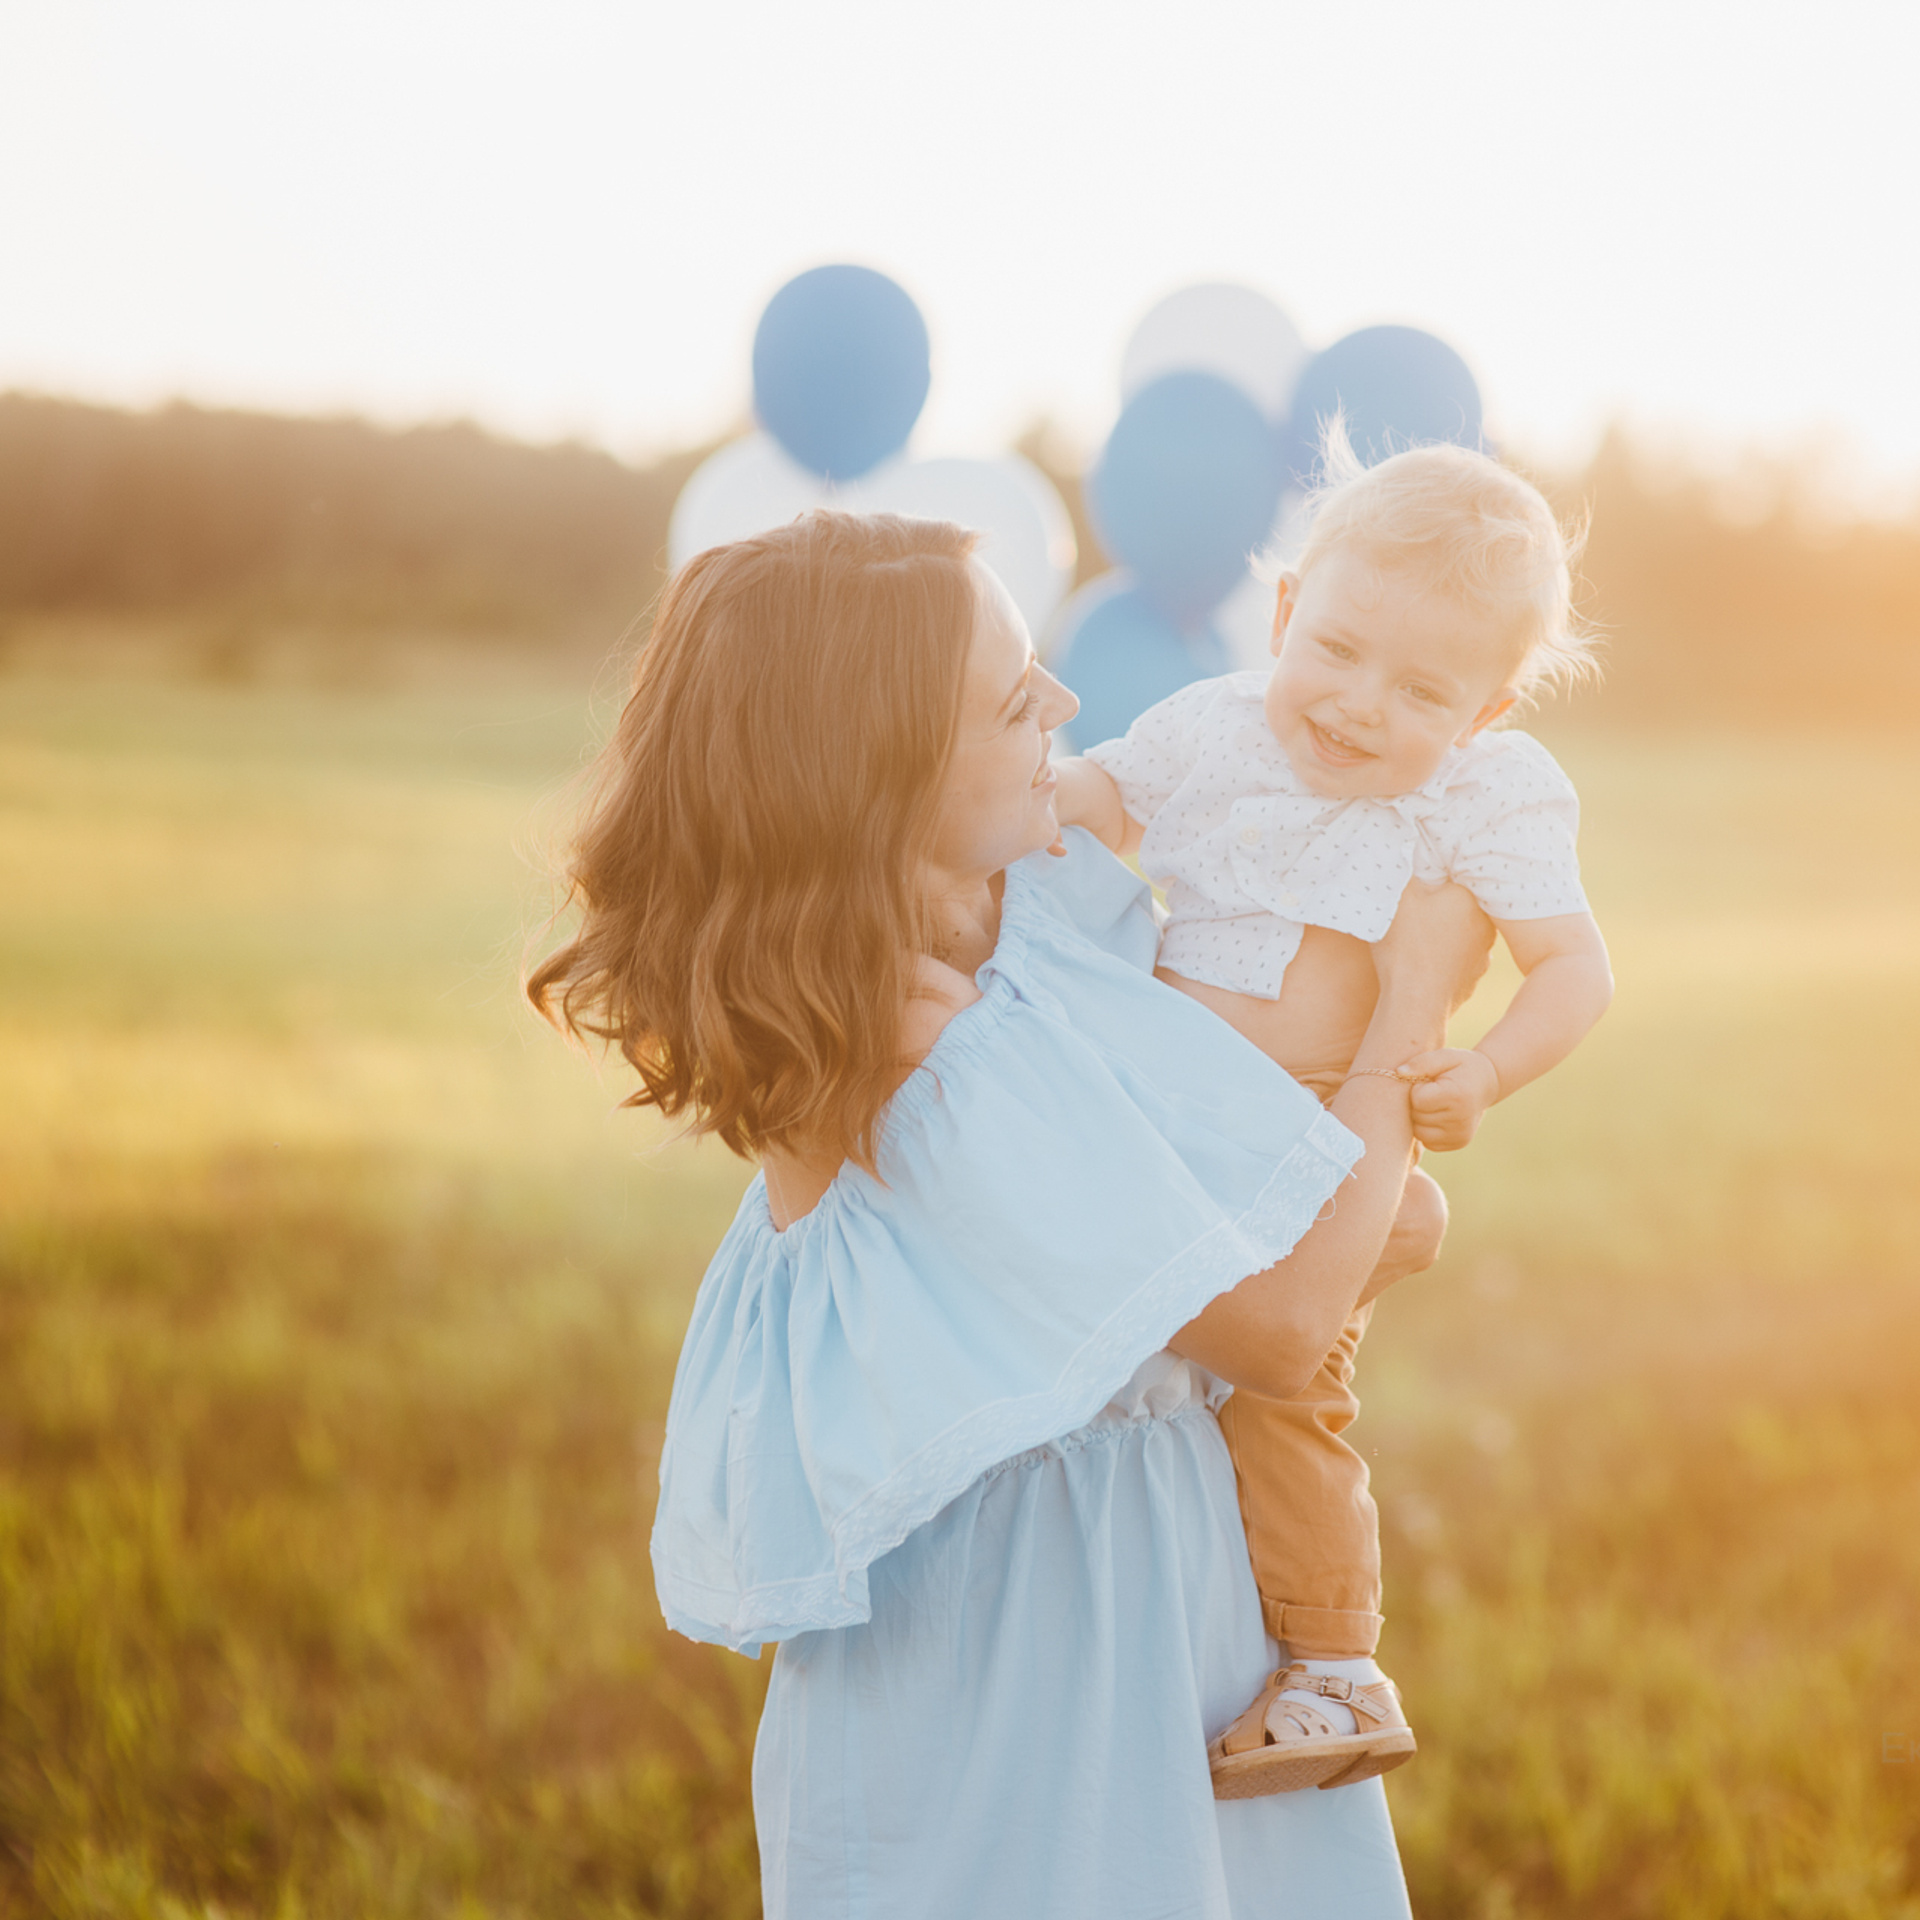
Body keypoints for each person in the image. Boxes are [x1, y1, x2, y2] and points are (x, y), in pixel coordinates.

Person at [528, 509, 1491, 1919]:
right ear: (870, 768)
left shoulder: (1029, 913)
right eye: (1009, 696)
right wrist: (1415, 1002)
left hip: (1181, 1578)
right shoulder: (900, 1041)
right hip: (1013, 1642)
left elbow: (1295, 1199)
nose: (1064, 703)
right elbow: (1281, 1321)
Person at [1052, 429, 1613, 1797]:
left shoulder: (1478, 800)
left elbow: (1576, 967)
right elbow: (1092, 798)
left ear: (1483, 712)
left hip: (1320, 1135)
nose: (1363, 705)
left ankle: (1331, 1665)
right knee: (1128, 1371)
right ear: (1290, 608)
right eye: (1343, 649)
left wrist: (1480, 1069)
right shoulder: (1212, 728)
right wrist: (990, 804)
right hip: (1163, 1113)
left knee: (1287, 1393)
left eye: (1424, 688)